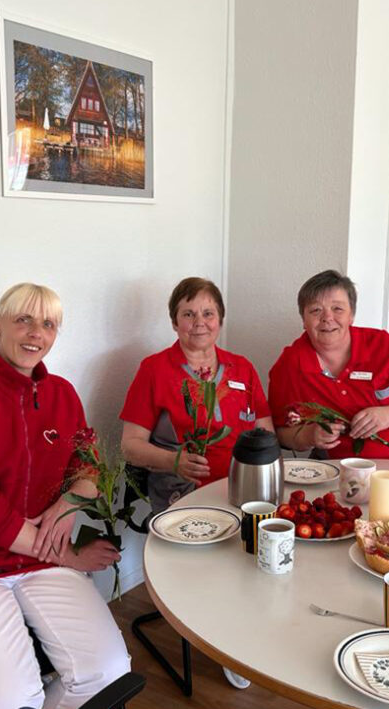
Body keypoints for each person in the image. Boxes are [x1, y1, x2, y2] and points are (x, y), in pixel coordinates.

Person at [0, 283, 130, 709]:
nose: (36, 333)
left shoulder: (62, 394)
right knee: (12, 698)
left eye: (48, 324)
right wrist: (66, 556)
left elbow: (89, 468)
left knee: (107, 675)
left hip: (39, 562)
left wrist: (70, 503)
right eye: (24, 320)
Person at [119, 276, 270, 690]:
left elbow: (264, 431)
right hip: (181, 491)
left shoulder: (242, 368)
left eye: (208, 313)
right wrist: (174, 460)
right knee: (224, 557)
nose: (198, 322)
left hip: (243, 489)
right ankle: (227, 639)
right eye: (188, 314)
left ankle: (247, 623)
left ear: (220, 319)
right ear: (174, 322)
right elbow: (130, 446)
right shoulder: (154, 370)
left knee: (269, 546)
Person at [269, 270, 389, 461]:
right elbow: (280, 433)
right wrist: (309, 435)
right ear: (304, 320)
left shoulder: (385, 347)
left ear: (351, 316)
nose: (327, 317)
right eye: (315, 310)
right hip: (339, 473)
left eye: (337, 309)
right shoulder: (289, 365)